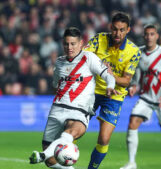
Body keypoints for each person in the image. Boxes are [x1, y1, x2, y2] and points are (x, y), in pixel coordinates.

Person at [29, 27, 119, 169]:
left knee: (69, 133)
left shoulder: (89, 58)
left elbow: (107, 74)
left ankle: (42, 155)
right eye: (66, 44)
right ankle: (46, 156)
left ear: (81, 43)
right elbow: (55, 85)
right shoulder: (59, 62)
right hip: (57, 109)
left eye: (73, 44)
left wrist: (110, 85)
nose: (69, 47)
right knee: (51, 161)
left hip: (79, 110)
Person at [120, 24, 161, 169]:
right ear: (144, 36)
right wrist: (134, 85)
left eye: (152, 34)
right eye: (147, 34)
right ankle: (132, 163)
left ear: (157, 36)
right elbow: (138, 73)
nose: (149, 37)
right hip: (145, 98)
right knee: (132, 123)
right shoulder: (139, 52)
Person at [83, 12, 141, 169]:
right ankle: (62, 159)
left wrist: (109, 74)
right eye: (115, 29)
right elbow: (82, 59)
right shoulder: (98, 39)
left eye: (122, 30)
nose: (118, 33)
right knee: (76, 129)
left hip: (114, 96)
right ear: (110, 27)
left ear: (128, 30)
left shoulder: (134, 51)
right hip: (91, 91)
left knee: (104, 139)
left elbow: (125, 81)